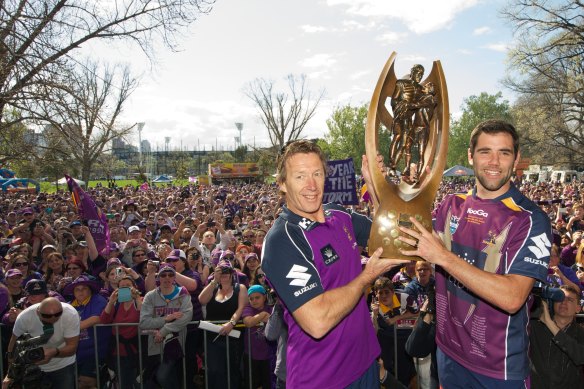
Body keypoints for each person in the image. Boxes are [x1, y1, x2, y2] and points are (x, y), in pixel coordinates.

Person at [398, 120, 552, 387]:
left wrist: (443, 257)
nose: (494, 161)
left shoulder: (530, 219)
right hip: (448, 352)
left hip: (498, 367)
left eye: (504, 152)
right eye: (485, 152)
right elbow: (406, 237)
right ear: (470, 156)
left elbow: (513, 297)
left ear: (516, 159)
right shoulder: (451, 204)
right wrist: (384, 190)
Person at [261, 140, 406, 388]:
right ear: (283, 184)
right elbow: (317, 321)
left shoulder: (338, 215)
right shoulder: (283, 239)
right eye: (300, 176)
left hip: (365, 363)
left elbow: (391, 239)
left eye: (317, 174)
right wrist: (366, 277)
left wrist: (374, 184)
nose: (311, 185)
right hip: (322, 378)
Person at [2, 297, 80, 389]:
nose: (53, 318)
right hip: (32, 367)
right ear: (38, 312)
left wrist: (54, 352)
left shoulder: (70, 313)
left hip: (63, 365)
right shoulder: (25, 317)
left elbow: (72, 347)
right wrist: (10, 374)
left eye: (58, 314)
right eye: (47, 316)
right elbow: (13, 343)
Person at [139, 264, 193, 389]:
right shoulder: (150, 296)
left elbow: (186, 317)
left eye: (170, 275)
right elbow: (144, 322)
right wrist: (166, 319)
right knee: (160, 379)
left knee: (162, 376)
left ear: (175, 277)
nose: (167, 277)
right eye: (163, 275)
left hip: (176, 344)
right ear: (159, 277)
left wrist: (164, 330)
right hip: (155, 345)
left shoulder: (183, 293)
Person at [198, 260, 247, 389]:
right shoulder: (213, 288)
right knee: (214, 369)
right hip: (212, 337)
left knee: (231, 369)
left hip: (233, 336)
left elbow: (240, 309)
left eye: (227, 271)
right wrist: (214, 280)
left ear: (232, 274)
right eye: (221, 271)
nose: (224, 274)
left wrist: (231, 323)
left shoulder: (240, 288)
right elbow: (202, 300)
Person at [529, 285, 584, 389]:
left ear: (578, 308)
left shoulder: (581, 333)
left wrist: (550, 324)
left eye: (570, 300)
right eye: (560, 298)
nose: (563, 302)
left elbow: (580, 357)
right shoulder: (534, 326)